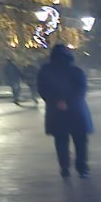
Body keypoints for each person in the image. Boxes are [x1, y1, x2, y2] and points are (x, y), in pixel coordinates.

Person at [36, 44, 91, 178]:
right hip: (76, 110)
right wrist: (69, 102)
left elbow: (42, 89)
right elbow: (81, 90)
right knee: (80, 141)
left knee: (61, 141)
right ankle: (82, 168)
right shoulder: (76, 71)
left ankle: (64, 167)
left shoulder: (45, 71)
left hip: (56, 111)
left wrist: (56, 101)